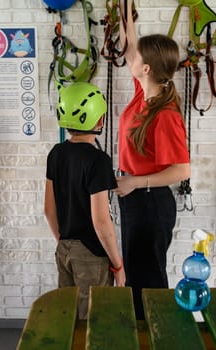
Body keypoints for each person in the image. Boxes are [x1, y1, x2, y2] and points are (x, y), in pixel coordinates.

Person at [114, 0, 191, 320]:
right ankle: (139, 332)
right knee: (136, 275)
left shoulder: (165, 114)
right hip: (135, 199)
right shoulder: (142, 92)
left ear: (147, 68)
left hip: (150, 203)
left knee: (149, 279)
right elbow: (130, 46)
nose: (131, 59)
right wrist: (124, 8)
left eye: (138, 60)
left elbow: (182, 169)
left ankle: (157, 333)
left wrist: (134, 181)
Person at [44, 81, 125, 320]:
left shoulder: (56, 154)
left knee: (68, 315)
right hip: (91, 254)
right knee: (93, 320)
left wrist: (65, 241)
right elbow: (101, 222)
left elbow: (49, 210)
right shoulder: (98, 161)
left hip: (64, 249)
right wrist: (118, 265)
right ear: (99, 120)